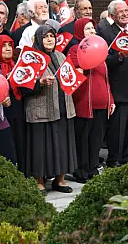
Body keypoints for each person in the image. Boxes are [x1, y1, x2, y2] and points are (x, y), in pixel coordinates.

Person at [20, 25, 77, 193]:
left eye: (52, 36)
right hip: (41, 110)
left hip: (63, 108)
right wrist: (39, 83)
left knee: (62, 146)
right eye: (46, 37)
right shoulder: (30, 58)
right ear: (38, 39)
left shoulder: (61, 56)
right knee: (41, 147)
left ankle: (60, 180)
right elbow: (22, 86)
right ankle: (39, 181)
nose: (50, 39)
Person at [67, 18, 113, 182]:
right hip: (83, 104)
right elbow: (76, 68)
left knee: (96, 139)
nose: (92, 32)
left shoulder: (99, 50)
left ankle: (93, 167)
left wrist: (110, 100)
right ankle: (81, 169)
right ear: (80, 31)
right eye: (88, 29)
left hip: (101, 104)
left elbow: (105, 78)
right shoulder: (74, 50)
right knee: (83, 138)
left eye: (93, 29)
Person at [99, 0, 128, 167]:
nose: (125, 14)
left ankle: (127, 157)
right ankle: (114, 158)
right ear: (113, 15)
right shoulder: (107, 32)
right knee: (118, 126)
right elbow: (104, 59)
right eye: (121, 12)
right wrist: (120, 56)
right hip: (119, 86)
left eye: (127, 11)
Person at [0, 35, 27, 173]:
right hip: (3, 114)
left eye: (9, 45)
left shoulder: (17, 64)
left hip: (18, 111)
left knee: (20, 145)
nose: (7, 49)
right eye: (4, 46)